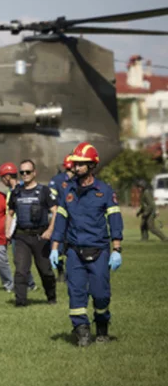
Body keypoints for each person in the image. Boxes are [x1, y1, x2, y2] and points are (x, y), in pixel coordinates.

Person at [50, 142, 123, 346]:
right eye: (75, 163)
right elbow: (61, 222)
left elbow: (115, 221)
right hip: (74, 251)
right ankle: (81, 330)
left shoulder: (105, 191)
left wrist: (116, 249)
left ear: (92, 166)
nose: (76, 167)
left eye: (81, 164)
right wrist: (55, 249)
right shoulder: (68, 191)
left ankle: (101, 327)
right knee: (76, 293)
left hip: (99, 251)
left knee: (101, 295)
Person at [6, 160, 57, 307]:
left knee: (45, 271)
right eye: (22, 172)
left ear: (34, 173)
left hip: (40, 236)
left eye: (28, 172)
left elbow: (55, 212)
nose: (25, 175)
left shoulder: (44, 191)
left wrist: (49, 230)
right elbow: (10, 213)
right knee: (21, 270)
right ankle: (20, 302)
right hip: (21, 236)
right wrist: (7, 233)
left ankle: (51, 297)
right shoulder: (15, 192)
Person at [0, 162, 37, 291]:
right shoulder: (13, 190)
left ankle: (30, 284)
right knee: (19, 259)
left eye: (2, 178)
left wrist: (9, 231)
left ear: (7, 177)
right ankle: (29, 283)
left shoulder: (18, 190)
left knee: (21, 259)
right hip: (15, 228)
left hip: (18, 228)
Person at [48, 155, 76, 281]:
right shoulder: (57, 180)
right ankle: (61, 272)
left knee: (68, 245)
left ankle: (65, 272)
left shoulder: (77, 180)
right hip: (63, 217)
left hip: (72, 218)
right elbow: (51, 200)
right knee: (59, 246)